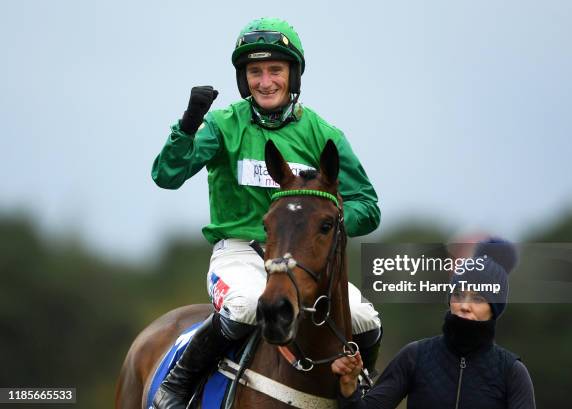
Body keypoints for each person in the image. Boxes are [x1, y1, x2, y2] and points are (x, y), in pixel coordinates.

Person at [151, 17, 383, 409]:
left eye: (275, 70)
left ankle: (361, 388)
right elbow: (166, 176)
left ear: (293, 75)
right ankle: (177, 383)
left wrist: (328, 222)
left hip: (303, 260)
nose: (265, 81)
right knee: (244, 306)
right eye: (254, 72)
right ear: (244, 79)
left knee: (364, 317)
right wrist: (187, 126)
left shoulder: (324, 134)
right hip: (239, 252)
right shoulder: (223, 125)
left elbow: (368, 206)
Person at [332, 238, 536, 409]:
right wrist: (349, 388)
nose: (464, 306)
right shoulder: (415, 356)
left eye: (478, 298)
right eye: (458, 295)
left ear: (494, 308)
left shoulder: (512, 372)